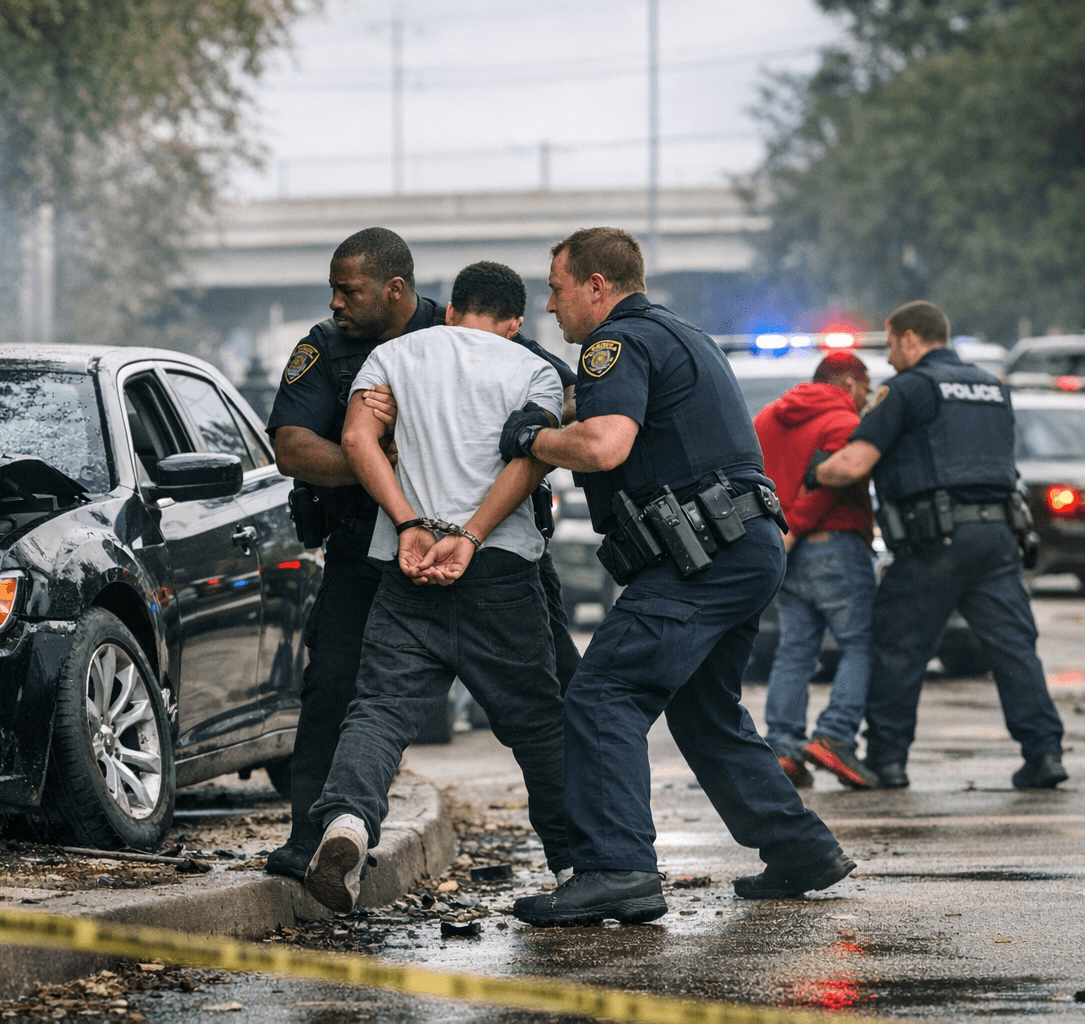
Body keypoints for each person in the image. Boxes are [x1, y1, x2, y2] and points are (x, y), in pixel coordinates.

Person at [501, 227, 854, 927]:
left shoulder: (615, 343)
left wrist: (531, 438)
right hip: (741, 547)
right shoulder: (679, 333)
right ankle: (801, 850)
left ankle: (616, 868)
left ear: (596, 286)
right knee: (705, 712)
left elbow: (605, 446)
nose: (550, 306)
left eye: (556, 288)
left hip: (707, 557)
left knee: (603, 693)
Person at [262, 228, 580, 882]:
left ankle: (349, 820)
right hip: (390, 550)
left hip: (428, 548)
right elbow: (291, 447)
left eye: (348, 290)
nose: (336, 303)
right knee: (339, 690)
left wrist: (419, 458)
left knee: (395, 706)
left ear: (396, 288)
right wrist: (396, 463)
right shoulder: (328, 347)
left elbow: (566, 394)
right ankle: (311, 842)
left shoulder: (430, 342)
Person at [806, 300, 1067, 790]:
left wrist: (813, 471)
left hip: (934, 542)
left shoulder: (907, 390)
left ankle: (888, 760)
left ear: (910, 338)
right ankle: (1045, 753)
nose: (888, 356)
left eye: (890, 343)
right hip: (998, 538)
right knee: (1014, 650)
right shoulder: (994, 388)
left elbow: (854, 464)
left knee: (898, 646)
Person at [754, 352, 880, 790]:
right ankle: (835, 735)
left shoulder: (768, 417)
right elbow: (831, 485)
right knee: (860, 642)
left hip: (783, 549)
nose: (865, 399)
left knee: (795, 649)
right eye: (864, 388)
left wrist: (780, 533)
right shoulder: (843, 422)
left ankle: (784, 746)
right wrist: (798, 527)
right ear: (848, 384)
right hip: (834, 543)